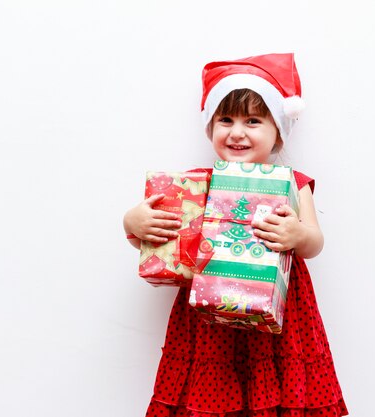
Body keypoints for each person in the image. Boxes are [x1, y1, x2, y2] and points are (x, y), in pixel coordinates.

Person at [123, 53, 348, 417]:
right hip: (207, 316)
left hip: (282, 319)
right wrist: (133, 223)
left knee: (276, 384)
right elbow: (158, 239)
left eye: (254, 120)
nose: (237, 131)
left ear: (278, 132)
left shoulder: (292, 182)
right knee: (211, 386)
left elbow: (314, 243)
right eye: (225, 119)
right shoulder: (195, 183)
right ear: (211, 127)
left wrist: (297, 234)